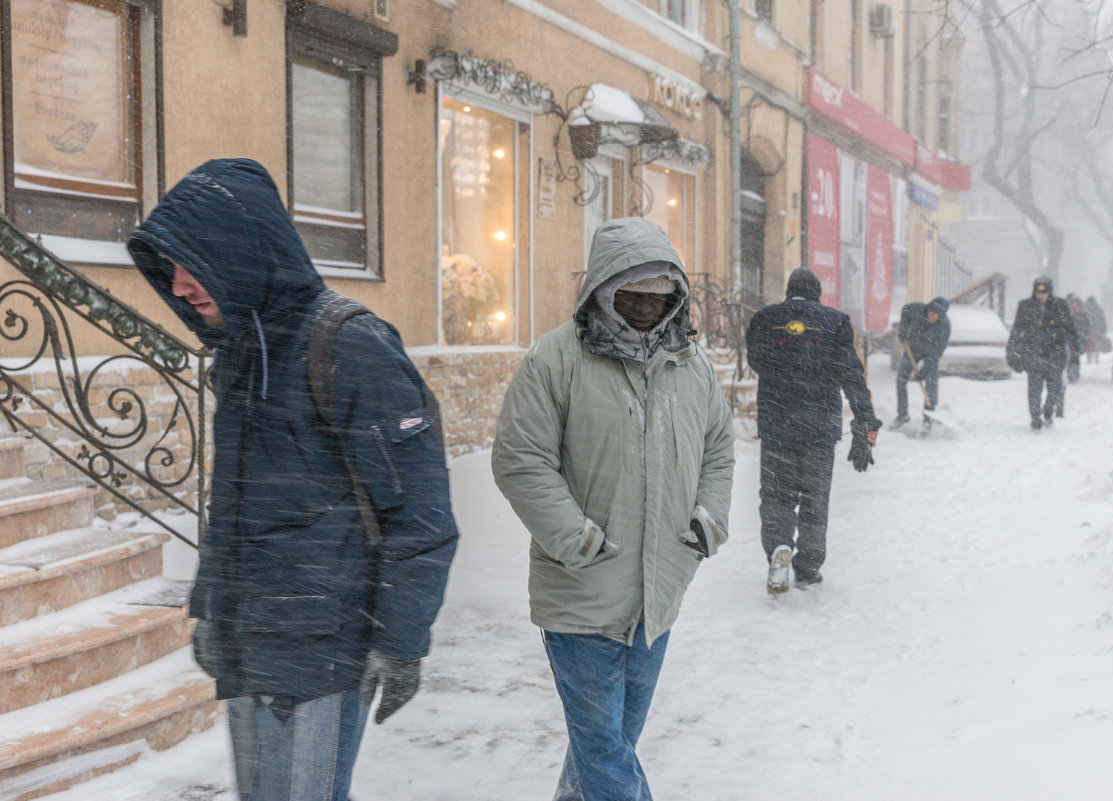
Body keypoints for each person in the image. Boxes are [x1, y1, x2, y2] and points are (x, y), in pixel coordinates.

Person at [127, 159, 459, 801]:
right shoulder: (242, 354)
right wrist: (212, 613)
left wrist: (402, 639)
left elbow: (419, 512)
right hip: (252, 643)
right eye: (169, 268)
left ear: (239, 251)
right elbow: (234, 510)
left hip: (323, 650)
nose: (179, 284)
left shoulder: (349, 345)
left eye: (191, 264)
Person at [491, 217, 734, 801]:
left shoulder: (691, 366)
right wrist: (576, 541)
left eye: (661, 292)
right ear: (603, 288)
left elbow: (719, 448)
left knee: (611, 742)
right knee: (604, 752)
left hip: (659, 592)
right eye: (633, 291)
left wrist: (708, 520)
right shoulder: (555, 360)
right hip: (581, 591)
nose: (649, 304)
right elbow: (520, 460)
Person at [745, 267, 882, 596]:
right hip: (819, 428)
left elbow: (757, 361)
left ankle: (778, 546)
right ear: (817, 293)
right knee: (814, 498)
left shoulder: (766, 319)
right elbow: (851, 374)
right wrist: (866, 418)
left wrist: (785, 374)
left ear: (788, 290)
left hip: (777, 423)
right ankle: (808, 566)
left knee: (776, 495)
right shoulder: (834, 322)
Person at [1006, 276, 1079, 432]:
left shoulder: (1060, 306)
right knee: (1034, 390)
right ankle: (1035, 418)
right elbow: (1017, 330)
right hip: (1034, 354)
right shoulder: (1025, 306)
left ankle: (1048, 410)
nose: (1041, 296)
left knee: (1054, 390)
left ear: (1050, 292)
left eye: (1044, 292)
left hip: (1055, 354)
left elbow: (1070, 330)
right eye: (1038, 292)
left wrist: (1074, 353)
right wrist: (1013, 352)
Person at [890, 296, 950, 428]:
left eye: (937, 315)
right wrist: (904, 329)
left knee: (931, 383)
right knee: (901, 379)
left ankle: (928, 416)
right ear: (928, 309)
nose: (934, 317)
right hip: (913, 348)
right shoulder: (917, 309)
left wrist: (925, 370)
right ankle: (902, 414)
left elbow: (937, 351)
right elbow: (905, 310)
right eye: (932, 313)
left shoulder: (944, 325)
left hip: (931, 353)